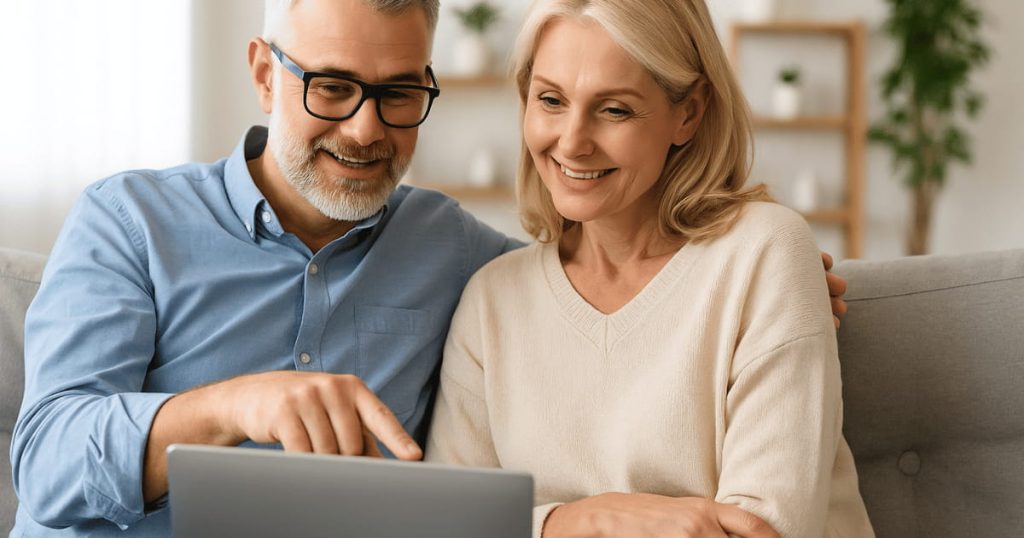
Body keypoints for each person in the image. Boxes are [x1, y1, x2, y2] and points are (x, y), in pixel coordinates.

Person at [10, 0, 848, 536]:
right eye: (332, 87)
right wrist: (234, 404)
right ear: (266, 73)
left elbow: (598, 288)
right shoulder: (131, 221)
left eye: (399, 92)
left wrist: (755, 272)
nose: (368, 129)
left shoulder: (455, 257)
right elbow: (45, 464)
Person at [424, 1, 874, 537]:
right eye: (550, 100)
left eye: (614, 110)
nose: (572, 141)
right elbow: (448, 521)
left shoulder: (765, 252)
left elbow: (763, 530)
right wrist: (574, 523)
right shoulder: (491, 300)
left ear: (689, 112)